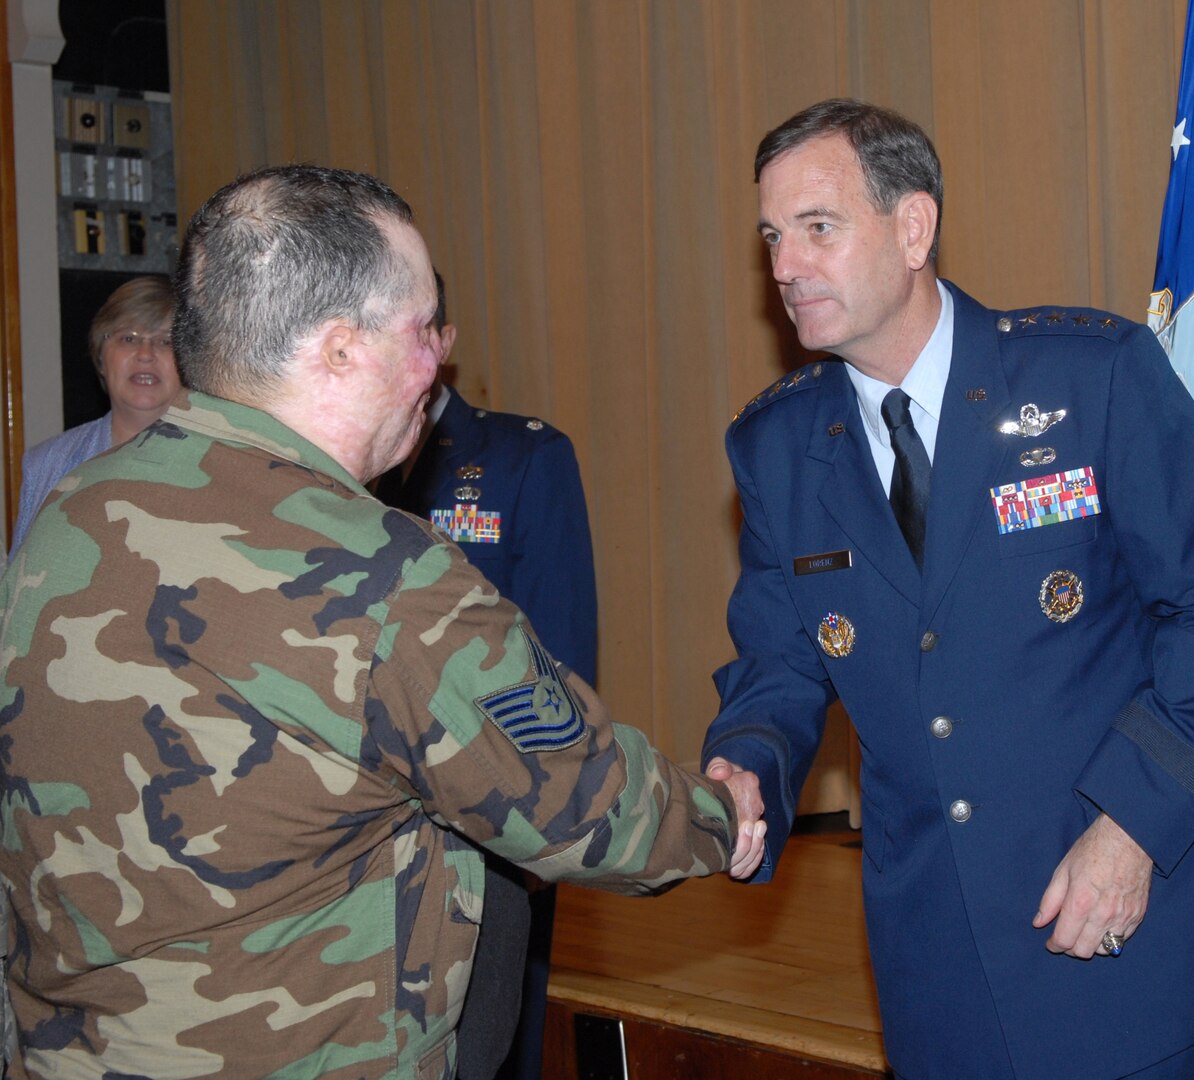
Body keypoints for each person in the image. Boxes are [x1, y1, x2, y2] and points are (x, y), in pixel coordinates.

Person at [0, 164, 763, 1078]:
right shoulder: (379, 573)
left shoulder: (73, 508)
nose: (440, 359)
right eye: (419, 327)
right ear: (337, 349)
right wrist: (727, 814)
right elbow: (587, 807)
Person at [701, 99, 1194, 1079]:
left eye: (818, 228)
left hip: (1120, 925)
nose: (784, 266)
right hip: (942, 961)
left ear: (913, 226)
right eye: (771, 237)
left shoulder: (1089, 375)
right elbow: (780, 663)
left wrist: (1136, 823)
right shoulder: (778, 447)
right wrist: (747, 762)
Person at [377, 271, 599, 1079]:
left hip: (488, 813)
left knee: (493, 1047)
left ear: (440, 337)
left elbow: (560, 653)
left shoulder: (520, 456)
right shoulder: (329, 461)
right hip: (362, 829)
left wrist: (547, 818)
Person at [10, 275, 181, 549]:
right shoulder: (47, 464)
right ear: (101, 357)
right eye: (128, 338)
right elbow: (19, 588)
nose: (145, 354)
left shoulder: (225, 463)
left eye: (165, 341)